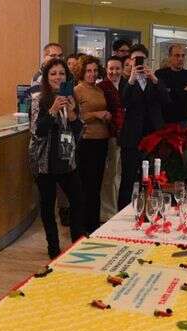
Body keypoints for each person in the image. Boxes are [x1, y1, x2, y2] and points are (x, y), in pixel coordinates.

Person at [28, 58, 85, 258]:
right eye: (53, 74)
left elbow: (79, 131)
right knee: (47, 204)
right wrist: (52, 111)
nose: (58, 77)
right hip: (44, 161)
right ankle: (53, 247)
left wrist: (72, 115)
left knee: (78, 200)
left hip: (66, 158)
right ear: (46, 77)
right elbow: (37, 132)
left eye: (61, 73)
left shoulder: (72, 98)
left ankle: (77, 242)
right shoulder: (38, 100)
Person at [117, 44, 169, 209]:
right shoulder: (125, 81)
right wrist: (132, 80)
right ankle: (123, 213)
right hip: (131, 137)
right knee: (129, 178)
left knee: (153, 176)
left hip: (152, 136)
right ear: (130, 61)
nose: (138, 62)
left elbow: (166, 101)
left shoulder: (155, 79)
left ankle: (151, 209)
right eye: (134, 59)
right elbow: (122, 102)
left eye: (141, 59)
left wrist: (154, 79)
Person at [74, 55, 111, 232]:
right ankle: (83, 226)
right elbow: (75, 117)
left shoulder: (99, 89)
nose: (92, 74)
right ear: (82, 72)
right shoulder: (77, 90)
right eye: (88, 70)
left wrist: (107, 115)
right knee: (85, 186)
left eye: (95, 70)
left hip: (102, 141)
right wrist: (96, 115)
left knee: (97, 185)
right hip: (86, 142)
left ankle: (93, 224)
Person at [97, 55, 127, 223]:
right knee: (110, 175)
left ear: (122, 69)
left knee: (119, 174)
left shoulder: (126, 85)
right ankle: (108, 212)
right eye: (111, 68)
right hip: (109, 135)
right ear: (106, 69)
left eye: (117, 68)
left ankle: (117, 208)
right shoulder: (101, 87)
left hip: (125, 136)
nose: (114, 72)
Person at [155, 44, 187, 127]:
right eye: (177, 55)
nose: (180, 59)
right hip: (165, 119)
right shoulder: (160, 74)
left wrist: (170, 90)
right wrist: (182, 90)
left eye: (183, 56)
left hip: (184, 120)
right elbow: (161, 97)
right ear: (170, 57)